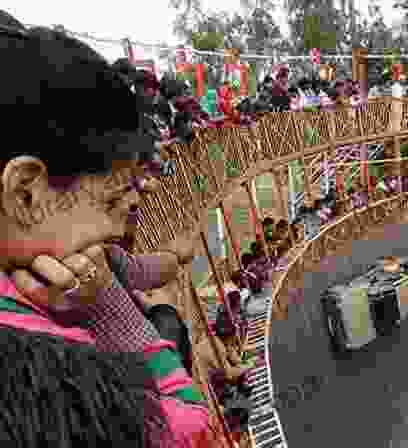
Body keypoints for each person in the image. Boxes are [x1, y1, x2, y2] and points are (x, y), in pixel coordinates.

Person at [0, 14, 224, 448]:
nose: (119, 224)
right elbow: (194, 432)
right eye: (109, 200)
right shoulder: (45, 372)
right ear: (25, 193)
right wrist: (109, 309)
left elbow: (133, 266)